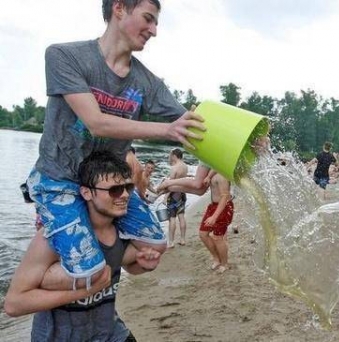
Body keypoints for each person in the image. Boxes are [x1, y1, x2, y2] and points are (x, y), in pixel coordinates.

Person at [25, 0, 205, 286]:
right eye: (148, 19)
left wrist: (250, 140)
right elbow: (96, 121)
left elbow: (194, 122)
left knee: (156, 245)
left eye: (156, 22)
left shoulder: (148, 83)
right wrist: (167, 130)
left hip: (111, 186)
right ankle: (33, 282)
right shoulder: (64, 55)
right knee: (89, 272)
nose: (154, 30)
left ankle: (94, 265)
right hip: (60, 179)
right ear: (119, 8)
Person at [5, 151, 163, 341]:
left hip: (111, 333)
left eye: (128, 187)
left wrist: (143, 265)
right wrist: (85, 291)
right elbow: (14, 304)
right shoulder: (53, 239)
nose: (124, 195)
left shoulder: (124, 231)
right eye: (114, 190)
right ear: (86, 192)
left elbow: (126, 266)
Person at [199, 172, 234, 273]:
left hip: (223, 208)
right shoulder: (213, 172)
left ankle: (224, 263)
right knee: (203, 234)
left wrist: (214, 217)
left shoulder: (222, 175)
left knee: (218, 238)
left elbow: (225, 196)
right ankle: (217, 259)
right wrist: (208, 177)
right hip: (213, 206)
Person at [164, 148, 189, 248]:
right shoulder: (185, 166)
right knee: (181, 216)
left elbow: (170, 184)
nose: (170, 157)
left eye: (171, 155)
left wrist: (165, 197)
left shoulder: (174, 168)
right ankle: (183, 239)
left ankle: (171, 242)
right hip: (182, 194)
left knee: (172, 218)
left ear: (174, 155)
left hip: (174, 194)